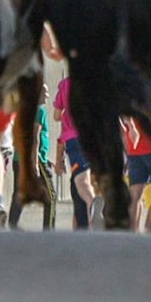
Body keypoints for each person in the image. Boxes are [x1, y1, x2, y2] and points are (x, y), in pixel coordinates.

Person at [53, 74, 104, 230]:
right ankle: (92, 221)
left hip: (74, 138)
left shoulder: (65, 84)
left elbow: (56, 116)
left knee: (80, 180)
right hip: (94, 137)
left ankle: (92, 203)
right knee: (88, 179)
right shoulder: (95, 83)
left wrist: (65, 113)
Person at [9, 82, 57, 230]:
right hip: (34, 159)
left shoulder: (25, 109)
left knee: (19, 192)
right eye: (45, 92)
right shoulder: (39, 111)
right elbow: (34, 137)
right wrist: (35, 162)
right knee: (51, 195)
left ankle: (12, 224)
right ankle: (48, 228)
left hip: (20, 158)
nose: (47, 96)